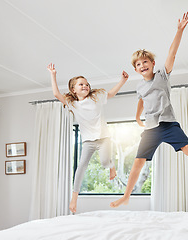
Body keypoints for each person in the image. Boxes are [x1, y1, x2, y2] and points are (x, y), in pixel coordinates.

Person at [110, 12, 188, 208]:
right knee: (139, 162)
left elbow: (172, 53)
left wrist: (179, 30)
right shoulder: (139, 86)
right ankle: (126, 195)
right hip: (151, 129)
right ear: (136, 69)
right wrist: (137, 117)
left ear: (152, 63)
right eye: (138, 64)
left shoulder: (162, 76)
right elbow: (141, 100)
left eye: (145, 62)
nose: (142, 65)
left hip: (168, 124)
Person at [47, 63, 129, 213]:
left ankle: (111, 168)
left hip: (104, 138)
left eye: (86, 84)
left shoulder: (96, 97)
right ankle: (74, 198)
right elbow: (56, 94)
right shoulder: (72, 104)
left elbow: (110, 93)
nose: (85, 86)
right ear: (73, 89)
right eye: (81, 84)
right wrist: (53, 75)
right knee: (81, 167)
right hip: (88, 141)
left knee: (105, 162)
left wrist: (122, 81)